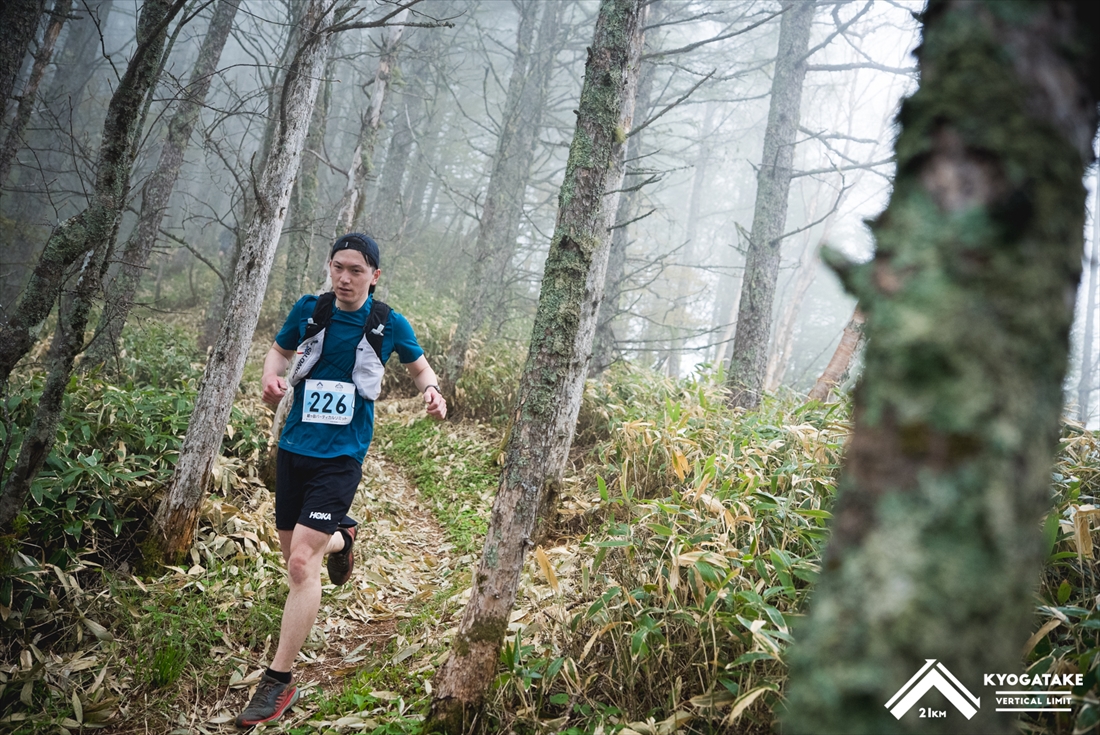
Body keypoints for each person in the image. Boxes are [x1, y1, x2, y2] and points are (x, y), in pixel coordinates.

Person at [235, 233, 446, 728]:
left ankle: (277, 681)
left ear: (375, 276)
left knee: (300, 564)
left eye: (356, 270)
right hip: (294, 447)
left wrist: (432, 391)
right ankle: (342, 537)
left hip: (342, 456)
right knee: (294, 554)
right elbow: (278, 352)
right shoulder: (310, 310)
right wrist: (270, 377)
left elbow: (420, 368)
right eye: (338, 267)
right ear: (329, 267)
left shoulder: (388, 322)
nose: (345, 278)